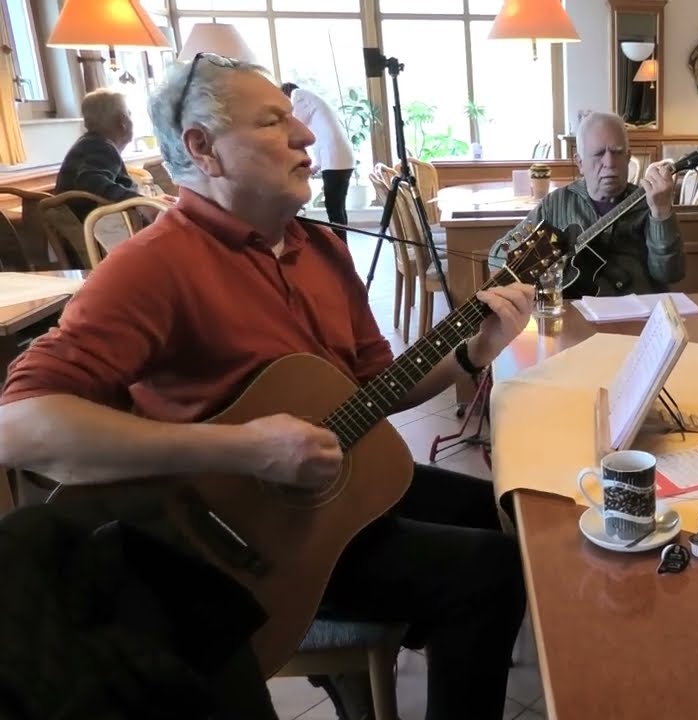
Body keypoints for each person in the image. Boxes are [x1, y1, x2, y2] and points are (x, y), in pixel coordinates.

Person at [0, 55, 533, 720]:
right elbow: (18, 423)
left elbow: (376, 385)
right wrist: (245, 449)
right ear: (202, 148)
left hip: (333, 493)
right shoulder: (154, 265)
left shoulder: (320, 248)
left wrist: (471, 353)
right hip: (231, 552)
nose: (307, 137)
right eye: (275, 122)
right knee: (488, 573)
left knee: (510, 517)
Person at [488, 111, 681, 297]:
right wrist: (544, 271)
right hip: (574, 319)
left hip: (639, 319)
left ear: (628, 158)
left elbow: (670, 274)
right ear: (579, 163)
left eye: (617, 152)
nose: (609, 162)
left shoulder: (650, 202)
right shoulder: (555, 204)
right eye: (598, 154)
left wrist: (661, 214)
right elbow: (497, 257)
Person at [55, 88, 156, 221]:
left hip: (88, 229)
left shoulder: (90, 144)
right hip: (99, 231)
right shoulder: (101, 147)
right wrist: (138, 201)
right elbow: (90, 181)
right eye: (129, 114)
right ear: (122, 121)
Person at [282, 82, 357, 241]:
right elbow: (318, 137)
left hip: (336, 158)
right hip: (339, 157)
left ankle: (340, 246)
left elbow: (295, 124)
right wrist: (316, 165)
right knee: (337, 206)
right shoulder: (312, 104)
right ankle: (342, 244)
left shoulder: (298, 95)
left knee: (334, 207)